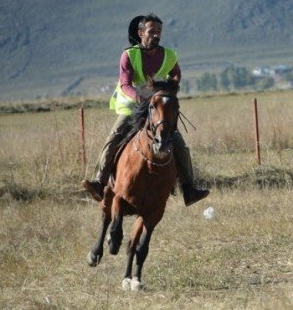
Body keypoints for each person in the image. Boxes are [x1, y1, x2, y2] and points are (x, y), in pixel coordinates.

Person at [82, 13, 210, 206]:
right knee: (114, 138)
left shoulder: (169, 55)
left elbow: (176, 74)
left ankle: (189, 189)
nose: (156, 35)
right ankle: (99, 182)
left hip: (157, 108)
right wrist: (141, 98)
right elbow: (125, 84)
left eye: (159, 31)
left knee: (179, 144)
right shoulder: (129, 55)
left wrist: (169, 90)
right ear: (141, 33)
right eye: (151, 31)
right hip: (132, 108)